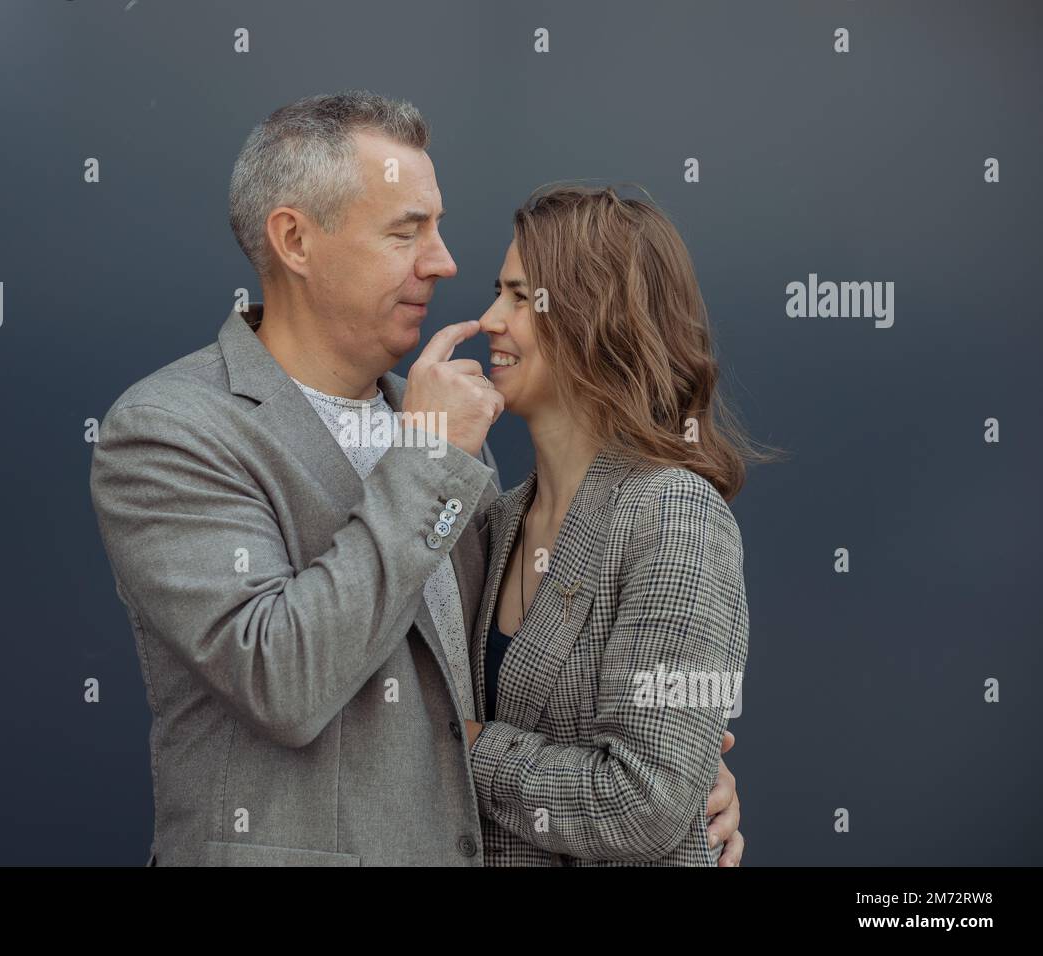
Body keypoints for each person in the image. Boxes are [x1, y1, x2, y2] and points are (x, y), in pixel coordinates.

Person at [88, 91, 744, 866]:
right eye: (407, 233)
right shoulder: (172, 429)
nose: (444, 262)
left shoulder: (455, 441)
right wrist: (431, 456)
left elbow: (504, 699)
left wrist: (683, 777)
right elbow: (282, 678)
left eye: (436, 228)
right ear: (295, 240)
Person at [465, 184, 765, 864]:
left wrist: (462, 746)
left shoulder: (674, 515)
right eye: (497, 293)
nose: (489, 319)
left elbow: (644, 802)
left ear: (595, 318)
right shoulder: (498, 517)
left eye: (519, 297)